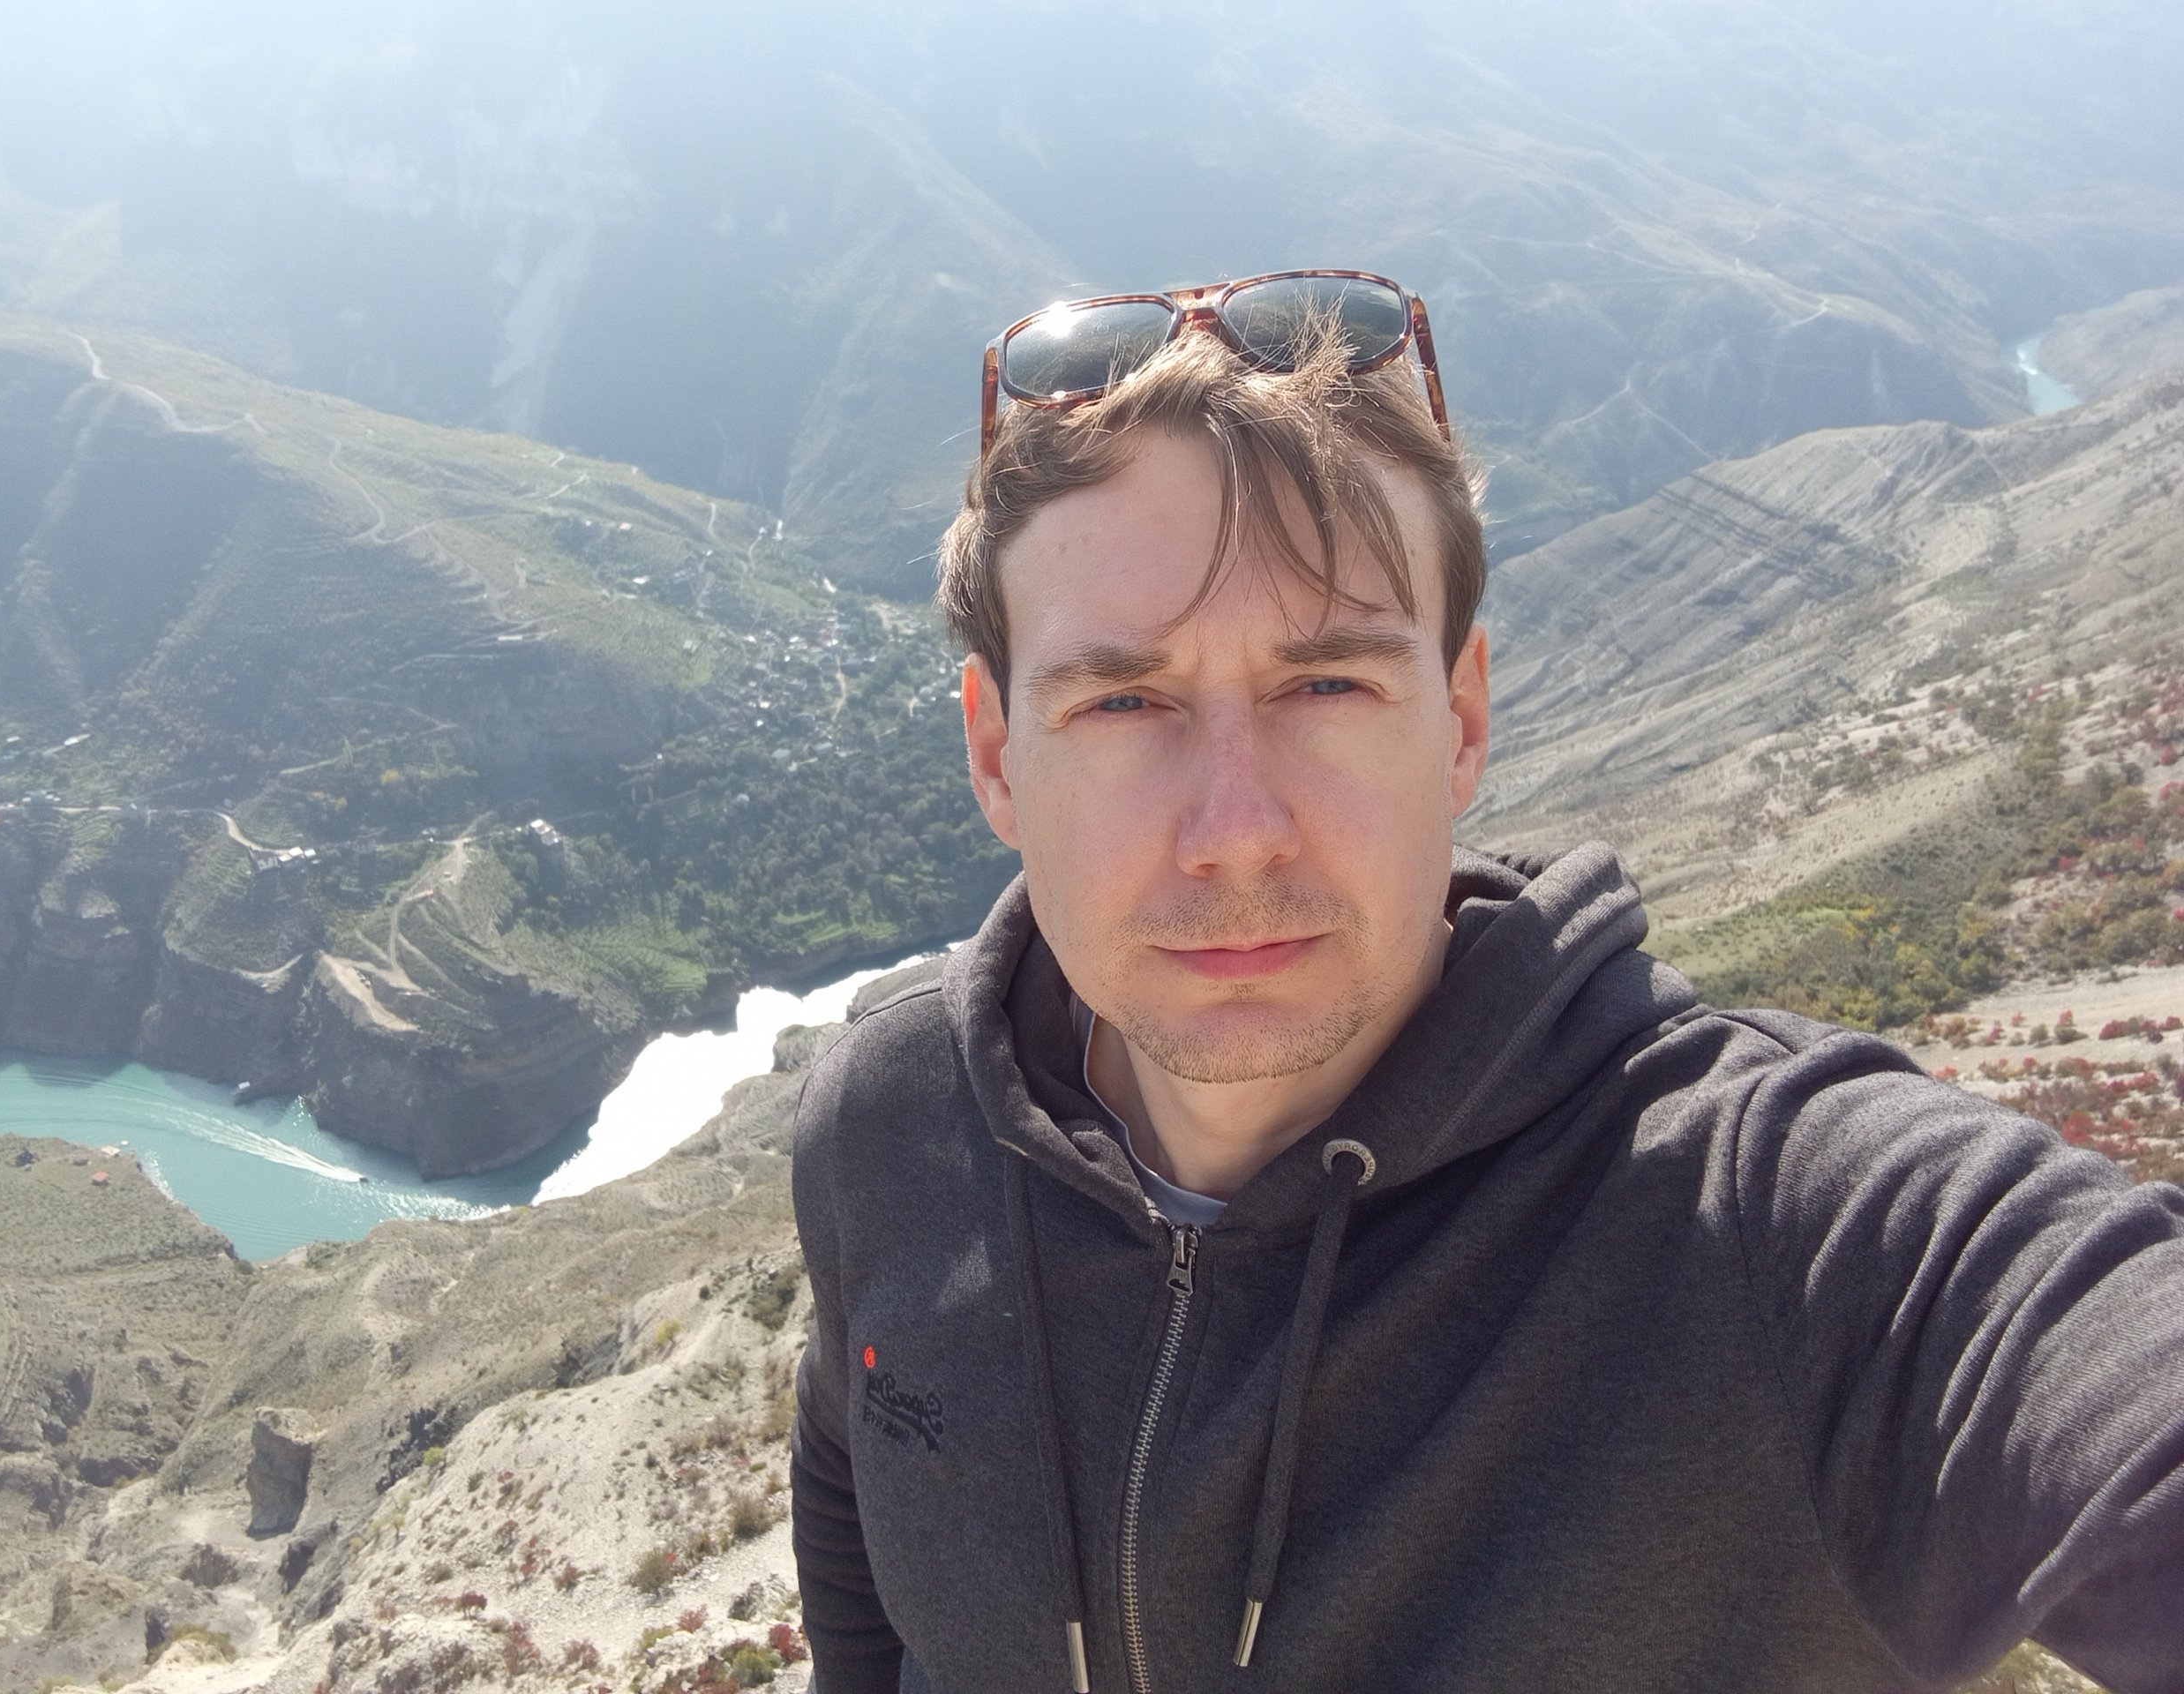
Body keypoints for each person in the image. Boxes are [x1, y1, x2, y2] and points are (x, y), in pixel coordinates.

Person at [786, 271, 2184, 1693]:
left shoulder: (1769, 1226)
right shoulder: (891, 1120)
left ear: (1460, 719)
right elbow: (856, 1479)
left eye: (1325, 686)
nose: (1235, 831)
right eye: (1124, 701)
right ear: (996, 753)